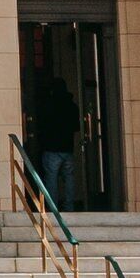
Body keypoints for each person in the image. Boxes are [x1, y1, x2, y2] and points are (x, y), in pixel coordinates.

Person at [24, 69, 82, 212]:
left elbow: (42, 124)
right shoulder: (72, 106)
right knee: (69, 178)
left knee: (51, 178)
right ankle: (70, 206)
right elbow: (76, 126)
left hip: (51, 148)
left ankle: (53, 206)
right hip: (67, 147)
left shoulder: (48, 105)